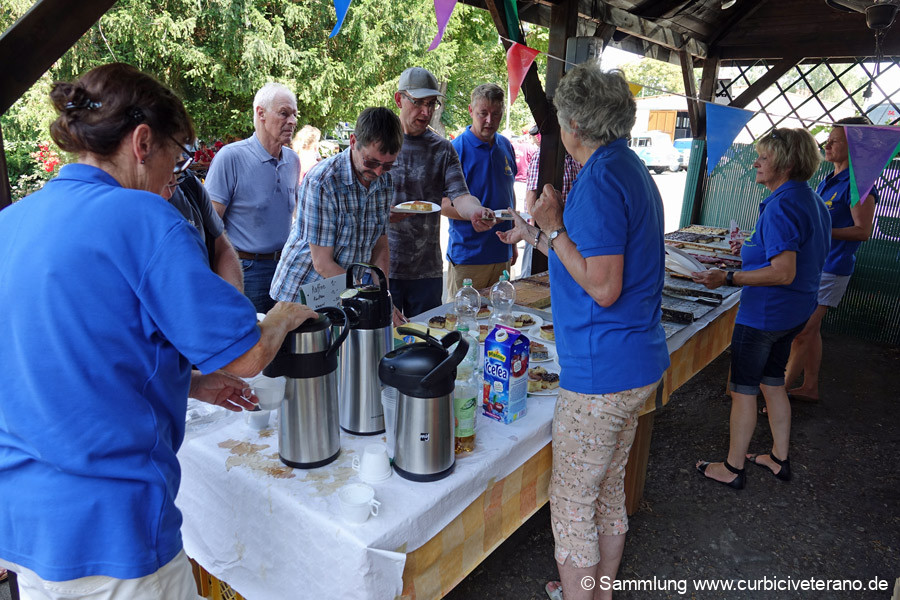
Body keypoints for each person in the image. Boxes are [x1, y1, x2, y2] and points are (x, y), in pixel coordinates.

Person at [0, 63, 316, 600]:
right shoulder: (144, 217)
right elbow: (246, 356)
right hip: (117, 537)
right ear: (142, 142)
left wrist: (188, 383)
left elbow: (67, 358)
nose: (179, 173)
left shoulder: (12, 224)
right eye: (178, 153)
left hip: (26, 533)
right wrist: (286, 312)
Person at [497, 63, 669, 600]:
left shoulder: (597, 181)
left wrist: (551, 226)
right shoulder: (629, 167)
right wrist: (538, 234)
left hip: (602, 371)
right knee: (606, 492)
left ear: (573, 123)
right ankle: (599, 589)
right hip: (632, 361)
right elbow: (587, 259)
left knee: (572, 502)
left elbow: (602, 285)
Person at [692, 127, 830, 491]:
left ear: (784, 163)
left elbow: (784, 271)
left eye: (764, 157)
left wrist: (729, 277)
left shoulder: (782, 204)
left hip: (766, 314)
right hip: (795, 311)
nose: (756, 162)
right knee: (773, 383)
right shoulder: (811, 199)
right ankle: (778, 458)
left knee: (743, 390)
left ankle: (733, 468)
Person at [272, 107, 405, 324]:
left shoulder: (384, 182)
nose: (379, 172)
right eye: (371, 162)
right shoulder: (322, 181)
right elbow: (322, 263)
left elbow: (380, 246)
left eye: (388, 165)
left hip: (345, 293)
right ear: (353, 141)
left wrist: (382, 297)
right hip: (300, 294)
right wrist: (370, 300)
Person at [784, 117, 877, 402]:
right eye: (829, 139)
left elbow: (863, 231)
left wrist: (819, 230)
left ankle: (779, 392)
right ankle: (810, 387)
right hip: (815, 265)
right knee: (812, 331)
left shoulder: (857, 185)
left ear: (854, 148)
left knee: (801, 333)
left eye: (835, 141)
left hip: (833, 268)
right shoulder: (828, 180)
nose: (827, 144)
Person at [388, 66, 494, 317]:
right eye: (418, 103)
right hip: (381, 267)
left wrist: (476, 211)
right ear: (398, 99)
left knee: (427, 341)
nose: (426, 112)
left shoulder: (442, 149)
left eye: (431, 103)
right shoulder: (381, 141)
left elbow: (461, 196)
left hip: (426, 269)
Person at [205, 82, 300, 314]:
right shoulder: (231, 157)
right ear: (261, 113)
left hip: (286, 269)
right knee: (253, 343)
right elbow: (210, 224)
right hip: (247, 269)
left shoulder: (293, 161)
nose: (293, 121)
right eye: (284, 113)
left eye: (295, 115)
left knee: (286, 342)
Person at [445, 83, 518, 295]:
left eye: (496, 114)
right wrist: (474, 215)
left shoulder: (506, 145)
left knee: (499, 319)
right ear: (470, 111)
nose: (489, 120)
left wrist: (513, 236)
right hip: (468, 256)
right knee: (463, 322)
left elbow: (509, 192)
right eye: (483, 113)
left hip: (501, 252)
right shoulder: (455, 150)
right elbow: (441, 203)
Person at [166, 167, 243, 290]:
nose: (169, 193)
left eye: (176, 177)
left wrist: (234, 298)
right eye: (164, 182)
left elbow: (222, 248)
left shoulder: (189, 183)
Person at [521, 138, 582, 278]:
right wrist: (536, 230)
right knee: (534, 279)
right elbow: (532, 198)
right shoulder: (542, 156)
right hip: (544, 230)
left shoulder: (575, 159)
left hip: (566, 233)